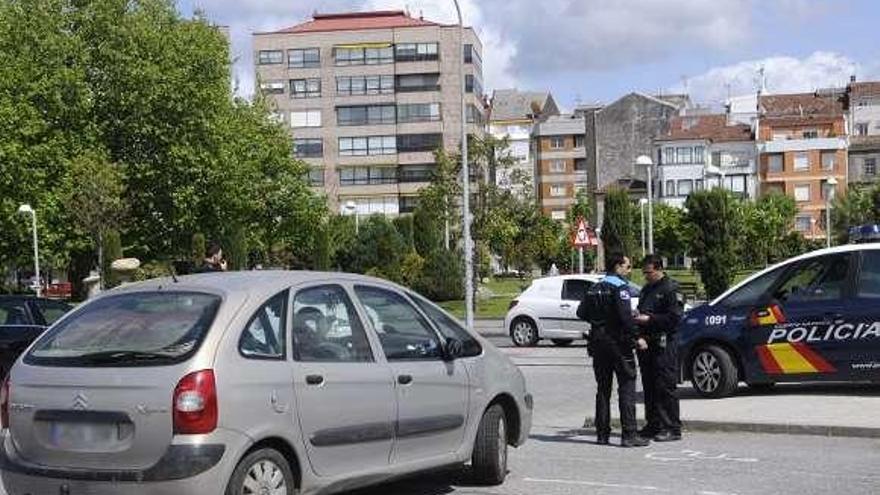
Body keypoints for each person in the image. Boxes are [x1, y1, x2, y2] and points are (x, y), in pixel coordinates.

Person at [578, 254, 649, 447]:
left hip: (598, 343)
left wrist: (598, 320)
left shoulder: (594, 288)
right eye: (627, 266)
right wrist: (637, 337)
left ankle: (602, 434)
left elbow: (581, 312)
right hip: (618, 343)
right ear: (617, 267)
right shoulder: (620, 288)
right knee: (626, 386)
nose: (629, 270)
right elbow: (626, 319)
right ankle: (629, 434)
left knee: (603, 389)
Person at [635, 254, 684, 442]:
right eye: (644, 272)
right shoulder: (647, 289)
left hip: (665, 343)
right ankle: (653, 423)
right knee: (649, 386)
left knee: (665, 385)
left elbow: (674, 318)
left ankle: (671, 427)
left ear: (659, 269)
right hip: (647, 343)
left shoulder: (671, 289)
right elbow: (642, 310)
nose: (646, 276)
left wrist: (650, 319)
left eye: (649, 272)